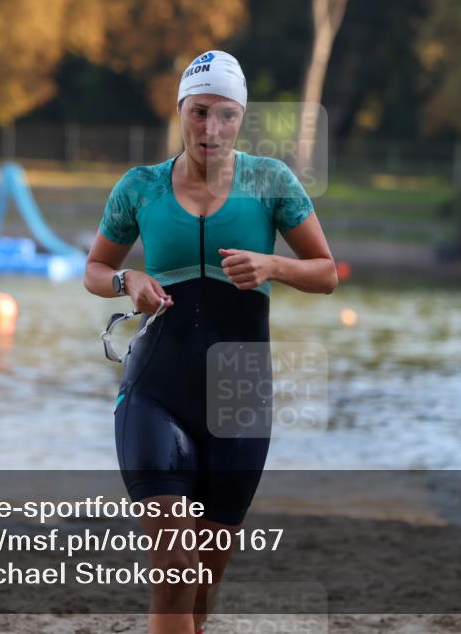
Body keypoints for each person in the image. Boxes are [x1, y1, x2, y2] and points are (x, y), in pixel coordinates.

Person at [84, 50, 337, 634]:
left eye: (226, 115)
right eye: (199, 112)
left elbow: (325, 271)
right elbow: (95, 269)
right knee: (175, 572)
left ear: (241, 117)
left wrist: (273, 265)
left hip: (239, 401)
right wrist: (128, 280)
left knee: (200, 585)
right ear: (180, 111)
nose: (211, 129)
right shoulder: (140, 187)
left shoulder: (270, 182)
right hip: (156, 393)